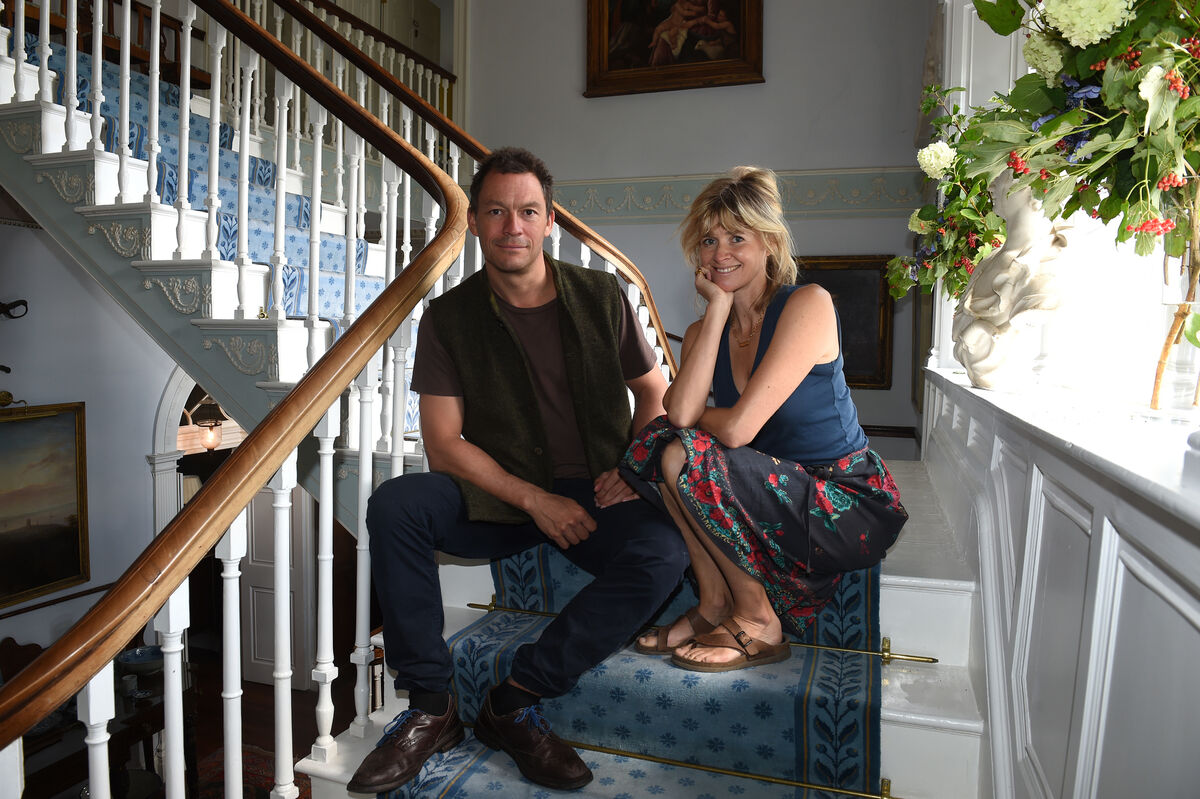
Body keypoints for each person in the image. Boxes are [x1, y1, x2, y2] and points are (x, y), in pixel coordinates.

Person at [347, 147, 688, 793]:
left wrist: (634, 464)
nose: (513, 226)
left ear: (549, 220)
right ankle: (430, 705)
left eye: (527, 211)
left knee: (662, 554)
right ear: (473, 222)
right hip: (501, 496)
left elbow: (654, 393)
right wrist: (534, 499)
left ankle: (514, 700)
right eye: (497, 211)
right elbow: (444, 444)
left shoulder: (600, 293)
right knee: (397, 503)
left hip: (598, 491)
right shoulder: (449, 316)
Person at [622, 166, 908, 672]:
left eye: (737, 238)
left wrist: (695, 422)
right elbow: (680, 411)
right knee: (662, 443)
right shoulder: (704, 328)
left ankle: (757, 621)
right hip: (775, 491)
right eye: (708, 241)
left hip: (843, 501)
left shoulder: (808, 304)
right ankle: (714, 605)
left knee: (683, 448)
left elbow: (734, 430)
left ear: (770, 244)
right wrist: (716, 311)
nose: (720, 253)